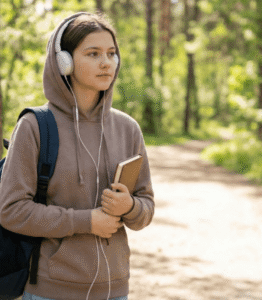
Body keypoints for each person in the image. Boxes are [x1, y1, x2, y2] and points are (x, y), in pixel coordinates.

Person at [0, 11, 154, 300]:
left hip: (115, 289)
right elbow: (11, 211)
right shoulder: (34, 127)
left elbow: (146, 208)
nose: (106, 62)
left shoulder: (127, 128)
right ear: (64, 61)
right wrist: (86, 221)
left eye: (111, 53)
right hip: (50, 290)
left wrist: (130, 206)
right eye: (93, 53)